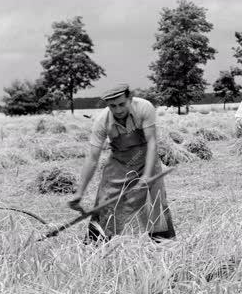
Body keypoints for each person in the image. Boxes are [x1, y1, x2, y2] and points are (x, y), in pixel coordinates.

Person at [68, 84, 175, 242]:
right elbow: (92, 158)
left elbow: (152, 142)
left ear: (130, 99)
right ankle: (96, 243)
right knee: (105, 202)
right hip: (120, 161)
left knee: (155, 201)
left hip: (147, 158)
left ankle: (163, 244)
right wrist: (79, 192)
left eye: (121, 104)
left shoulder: (144, 108)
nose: (118, 110)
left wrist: (146, 177)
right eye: (113, 106)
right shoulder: (102, 121)